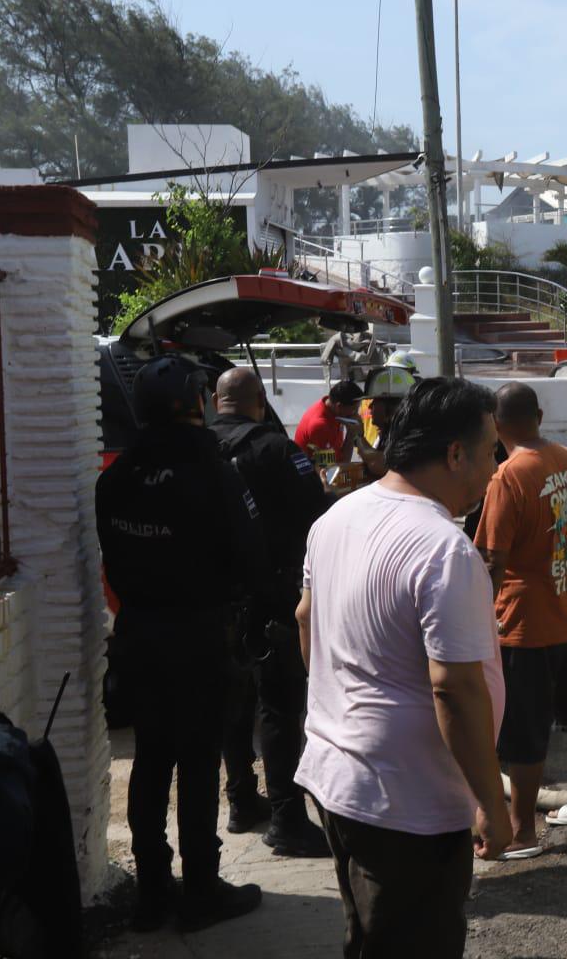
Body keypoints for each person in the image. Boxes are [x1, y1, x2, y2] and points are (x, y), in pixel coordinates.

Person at [295, 378, 511, 958]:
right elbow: (456, 690)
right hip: (405, 805)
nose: (497, 466)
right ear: (455, 453)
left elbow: (305, 620)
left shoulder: (336, 518)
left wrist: (338, 710)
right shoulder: (444, 549)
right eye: (492, 450)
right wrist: (491, 802)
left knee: (368, 939)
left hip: (341, 778)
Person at [96, 355, 267, 931]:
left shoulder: (116, 477)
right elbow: (249, 555)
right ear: (196, 401)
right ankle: (200, 890)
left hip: (140, 635)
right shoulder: (212, 470)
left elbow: (112, 566)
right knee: (196, 765)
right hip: (200, 638)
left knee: (150, 761)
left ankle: (151, 894)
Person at [474, 383, 567, 858]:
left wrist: (474, 619)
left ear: (495, 424)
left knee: (523, 732)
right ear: (537, 413)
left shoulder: (506, 477)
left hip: (525, 626)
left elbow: (492, 562)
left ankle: (522, 831)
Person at [209, 367, 332, 858]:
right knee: (279, 707)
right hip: (272, 598)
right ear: (260, 400)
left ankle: (241, 800)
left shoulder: (198, 449)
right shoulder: (277, 450)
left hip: (215, 603)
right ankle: (286, 817)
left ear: (215, 401)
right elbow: (317, 518)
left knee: (234, 705)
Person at [353, 365, 416, 480]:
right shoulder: (387, 433)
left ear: (391, 408)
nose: (370, 406)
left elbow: (380, 465)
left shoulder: (404, 435)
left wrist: (358, 436)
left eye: (375, 402)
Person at [294, 379, 363, 467]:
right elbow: (332, 471)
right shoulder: (320, 426)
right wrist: (351, 433)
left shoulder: (333, 410)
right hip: (313, 477)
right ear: (339, 406)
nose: (356, 414)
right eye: (354, 409)